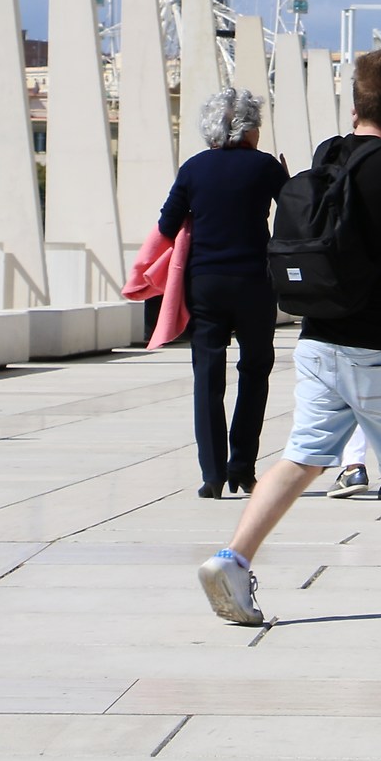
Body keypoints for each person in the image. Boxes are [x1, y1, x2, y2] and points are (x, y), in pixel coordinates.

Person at [197, 48, 381, 624]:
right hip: (377, 344)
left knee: (302, 457)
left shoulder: (326, 155)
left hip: (315, 338)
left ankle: (233, 558)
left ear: (357, 100)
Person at [159, 88, 288, 497]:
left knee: (208, 377)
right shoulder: (265, 167)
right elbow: (293, 210)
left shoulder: (194, 168)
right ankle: (243, 468)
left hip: (206, 284)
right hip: (254, 282)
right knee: (254, 372)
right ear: (250, 128)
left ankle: (211, 475)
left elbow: (166, 226)